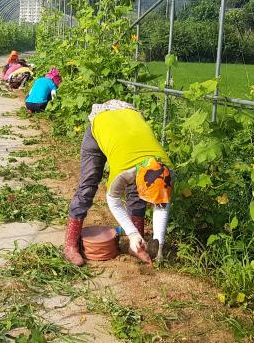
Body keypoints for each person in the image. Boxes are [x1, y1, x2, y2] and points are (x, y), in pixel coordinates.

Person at [63, 100, 173, 267]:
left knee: (136, 195)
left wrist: (159, 245)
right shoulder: (124, 172)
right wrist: (131, 232)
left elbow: (161, 205)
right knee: (88, 185)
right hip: (102, 123)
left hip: (129, 121)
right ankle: (70, 245)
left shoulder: (166, 171)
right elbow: (113, 201)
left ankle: (136, 244)